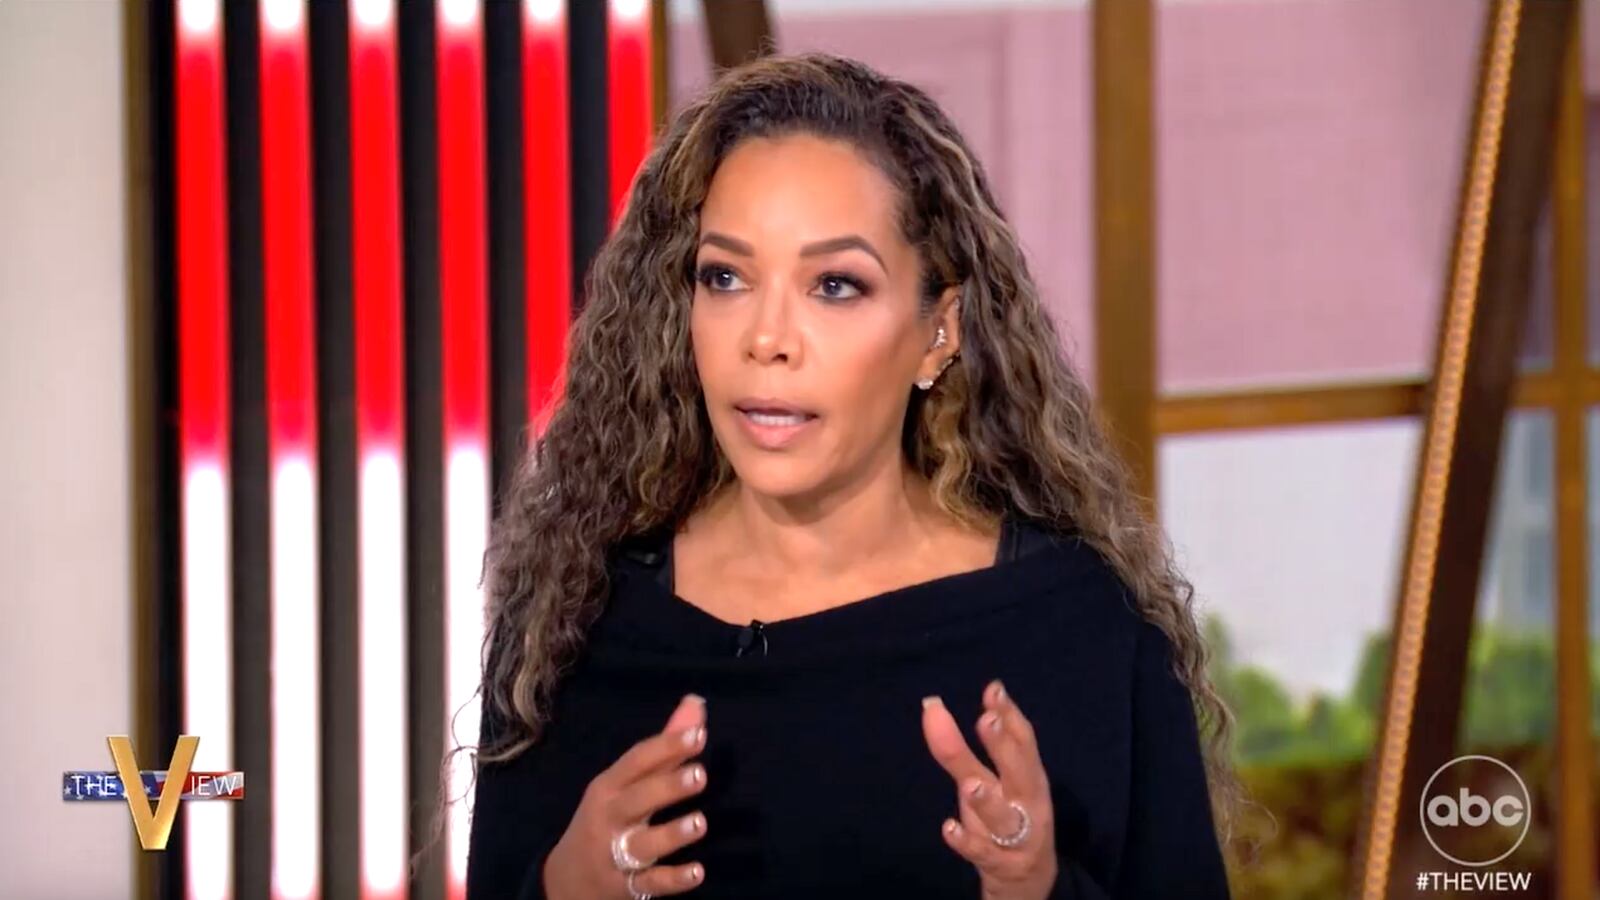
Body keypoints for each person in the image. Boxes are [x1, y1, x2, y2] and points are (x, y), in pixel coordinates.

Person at [459, 50, 1241, 899]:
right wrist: (560, 889)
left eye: (834, 285)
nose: (766, 339)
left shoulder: (1083, 631)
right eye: (725, 277)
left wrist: (1040, 889)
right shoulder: (573, 619)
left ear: (939, 333)